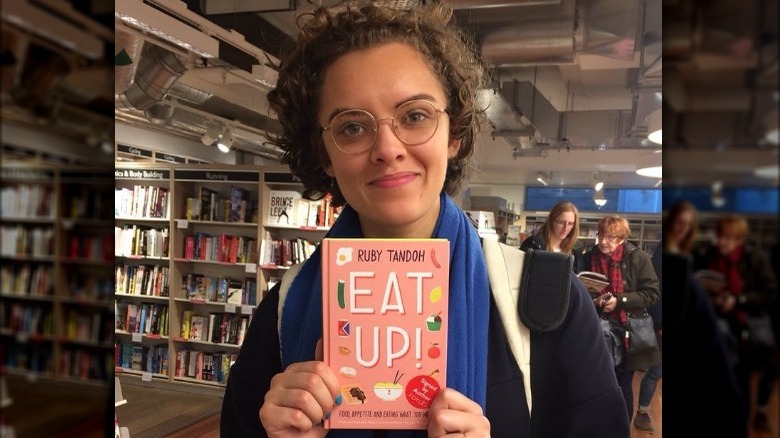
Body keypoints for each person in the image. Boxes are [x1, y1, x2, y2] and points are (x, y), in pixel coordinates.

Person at [220, 2, 628, 437]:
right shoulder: (284, 308)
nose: (387, 147)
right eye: (352, 127)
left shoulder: (547, 299)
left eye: (415, 116)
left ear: (453, 133)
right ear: (325, 156)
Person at [692, 214, 778, 432]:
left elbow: (769, 293)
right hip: (713, 330)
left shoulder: (755, 259)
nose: (722, 242)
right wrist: (711, 298)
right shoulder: (705, 256)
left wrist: (738, 300)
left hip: (744, 330)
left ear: (740, 239)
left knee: (740, 383)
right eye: (720, 236)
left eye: (729, 238)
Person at [579, 215, 660, 421]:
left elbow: (652, 293)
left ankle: (621, 427)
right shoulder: (588, 256)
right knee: (598, 381)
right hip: (596, 327)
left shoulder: (638, 258)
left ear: (622, 239)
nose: (604, 241)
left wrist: (621, 300)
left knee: (623, 384)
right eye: (601, 235)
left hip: (628, 332)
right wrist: (595, 300)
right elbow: (580, 289)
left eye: (611, 237)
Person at [634, 201, 697, 432]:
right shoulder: (663, 253)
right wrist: (661, 323)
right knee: (657, 369)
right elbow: (657, 292)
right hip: (666, 323)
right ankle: (642, 412)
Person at [519, 200, 584, 271]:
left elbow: (578, 278)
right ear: (551, 221)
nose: (565, 228)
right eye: (561, 222)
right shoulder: (532, 244)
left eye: (570, 224)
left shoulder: (576, 250)